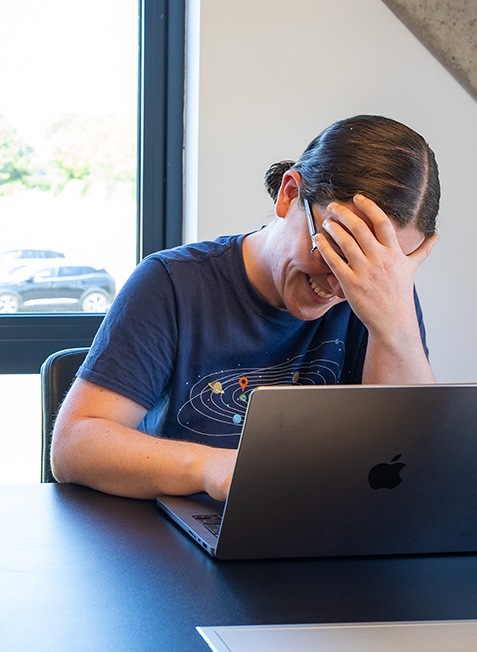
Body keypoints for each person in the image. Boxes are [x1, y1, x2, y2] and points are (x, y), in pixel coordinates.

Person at [50, 115, 440, 501]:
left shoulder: (380, 294)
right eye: (337, 249)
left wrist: (395, 329)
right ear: (289, 195)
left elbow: (414, 472)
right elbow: (73, 446)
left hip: (324, 536)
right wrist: (210, 468)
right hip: (176, 540)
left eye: (378, 263)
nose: (343, 283)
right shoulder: (172, 283)